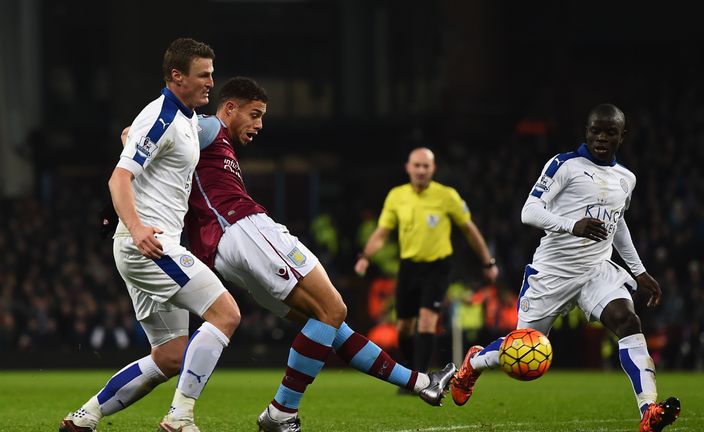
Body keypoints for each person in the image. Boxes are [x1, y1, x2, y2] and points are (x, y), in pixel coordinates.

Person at [117, 77, 457, 432]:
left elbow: (139, 140)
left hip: (221, 248)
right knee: (333, 308)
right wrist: (133, 151)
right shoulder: (206, 126)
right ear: (230, 108)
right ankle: (282, 412)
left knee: (328, 323)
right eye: (255, 114)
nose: (260, 125)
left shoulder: (215, 145)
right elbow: (136, 134)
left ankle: (421, 383)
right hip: (244, 229)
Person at [450, 104, 681, 432]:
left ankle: (649, 410)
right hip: (552, 274)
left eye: (609, 132)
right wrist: (572, 225)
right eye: (595, 131)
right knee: (524, 348)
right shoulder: (565, 166)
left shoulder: (625, 179)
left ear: (622, 136)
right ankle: (473, 363)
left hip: (596, 271)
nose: (601, 138)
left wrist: (639, 271)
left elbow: (619, 225)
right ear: (586, 131)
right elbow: (528, 211)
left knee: (628, 321)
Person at [60, 38, 241, 432]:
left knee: (171, 356)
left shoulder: (186, 119)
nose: (211, 82)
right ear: (178, 77)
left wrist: (131, 141)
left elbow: (144, 154)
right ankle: (180, 418)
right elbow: (119, 178)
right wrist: (138, 227)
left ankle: (83, 418)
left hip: (149, 244)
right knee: (226, 313)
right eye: (203, 75)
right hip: (151, 245)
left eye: (212, 73)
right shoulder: (161, 115)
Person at [354, 148, 498, 376]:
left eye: (426, 166)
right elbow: (382, 233)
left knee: (427, 322)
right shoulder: (396, 196)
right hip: (409, 267)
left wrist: (487, 263)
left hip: (437, 267)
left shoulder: (447, 196)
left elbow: (470, 230)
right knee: (403, 329)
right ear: (408, 168)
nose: (421, 170)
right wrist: (365, 258)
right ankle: (412, 372)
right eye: (417, 165)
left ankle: (418, 379)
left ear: (433, 169)